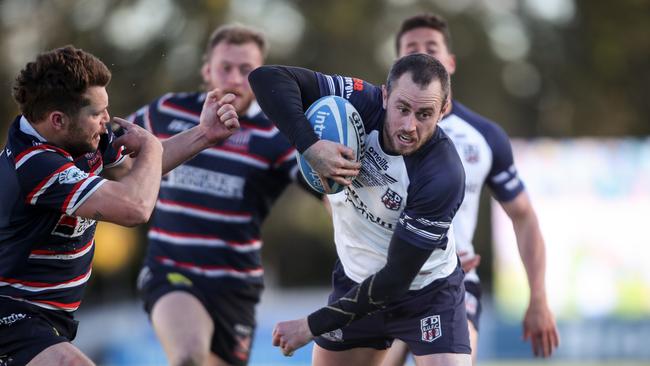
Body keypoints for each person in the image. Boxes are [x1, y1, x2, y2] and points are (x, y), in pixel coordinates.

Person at [0, 46, 238, 366]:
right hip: (11, 312)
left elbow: (135, 173)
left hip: (47, 318)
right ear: (58, 120)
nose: (106, 121)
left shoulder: (78, 137)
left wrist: (204, 134)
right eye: (97, 113)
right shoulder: (33, 165)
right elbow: (135, 207)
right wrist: (151, 146)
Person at [250, 54, 471, 366]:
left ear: (443, 111)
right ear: (384, 95)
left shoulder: (442, 175)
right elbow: (267, 78)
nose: (409, 125)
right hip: (355, 280)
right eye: (402, 108)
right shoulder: (359, 101)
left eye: (424, 114)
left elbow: (395, 279)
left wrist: (310, 326)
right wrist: (310, 146)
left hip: (427, 293)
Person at [382, 14, 560, 366]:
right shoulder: (368, 125)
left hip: (453, 284)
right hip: (380, 282)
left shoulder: (485, 136)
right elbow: (336, 199)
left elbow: (523, 216)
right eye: (412, 49)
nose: (424, 55)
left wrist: (538, 297)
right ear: (397, 64)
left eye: (432, 48)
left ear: (450, 62)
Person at [130, 24, 310, 366]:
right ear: (206, 70)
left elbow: (325, 191)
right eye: (225, 67)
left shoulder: (277, 135)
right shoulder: (166, 112)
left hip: (235, 286)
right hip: (171, 269)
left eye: (247, 71)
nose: (235, 79)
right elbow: (111, 154)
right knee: (188, 357)